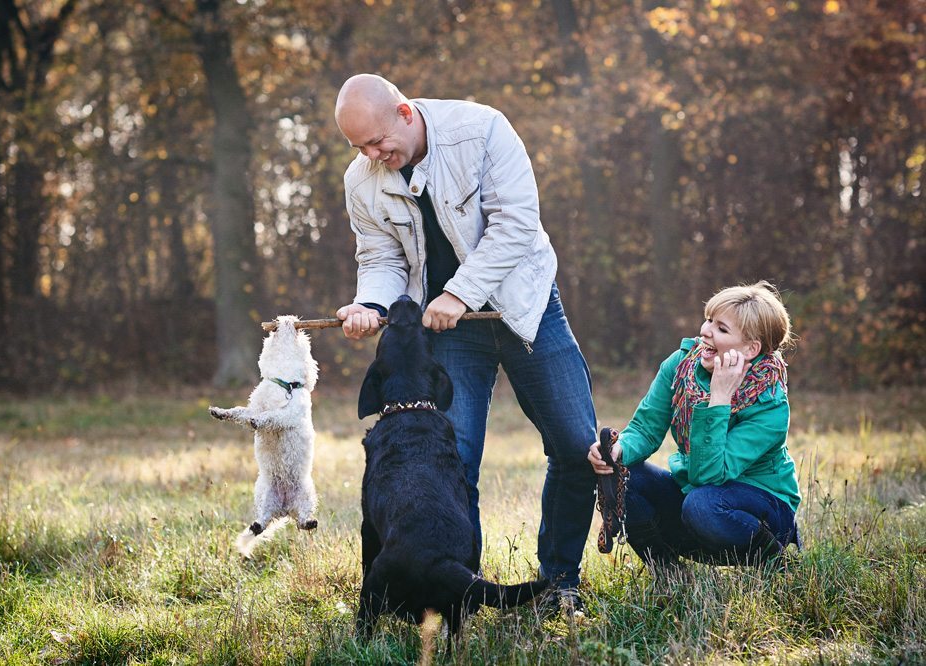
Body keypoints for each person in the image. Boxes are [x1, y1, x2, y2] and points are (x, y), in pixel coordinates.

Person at [333, 73, 598, 614]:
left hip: (525, 307)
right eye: (358, 147)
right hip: (447, 327)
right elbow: (380, 259)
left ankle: (560, 582)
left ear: (405, 113)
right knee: (453, 462)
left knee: (576, 445)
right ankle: (459, 589)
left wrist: (459, 292)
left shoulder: (482, 130)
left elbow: (517, 224)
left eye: (378, 141)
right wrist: (371, 306)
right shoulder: (361, 178)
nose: (371, 155)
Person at [588, 281, 800, 576]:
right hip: (698, 497)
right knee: (627, 473)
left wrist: (720, 398)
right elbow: (646, 428)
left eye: (721, 329)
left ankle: (776, 561)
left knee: (702, 505)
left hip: (762, 506)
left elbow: (709, 475)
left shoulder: (770, 404)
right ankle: (669, 573)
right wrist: (618, 449)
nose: (705, 331)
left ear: (751, 348)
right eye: (709, 320)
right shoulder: (681, 366)